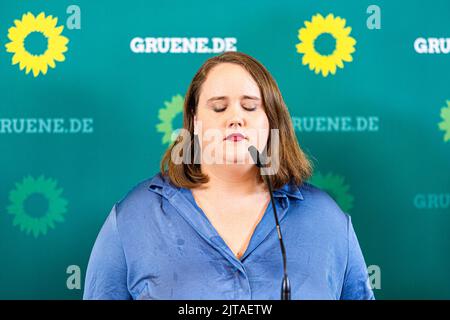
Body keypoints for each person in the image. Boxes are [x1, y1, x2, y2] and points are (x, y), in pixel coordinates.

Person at [83, 51, 374, 300]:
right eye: (219, 107)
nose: (235, 117)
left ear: (272, 120)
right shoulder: (134, 218)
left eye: (250, 106)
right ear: (195, 121)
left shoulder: (327, 220)